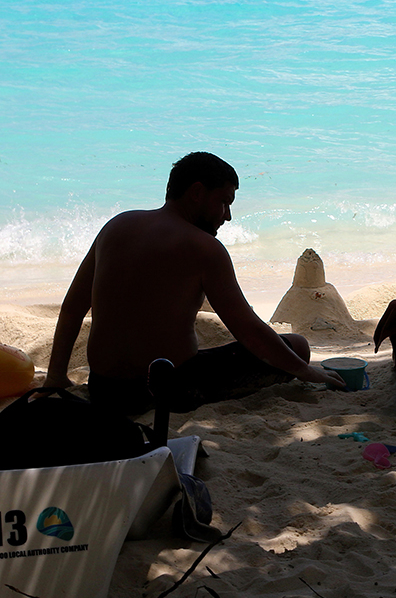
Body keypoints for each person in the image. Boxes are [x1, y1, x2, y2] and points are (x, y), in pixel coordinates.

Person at [44, 152, 345, 413]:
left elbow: (72, 308)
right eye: (224, 202)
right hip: (170, 387)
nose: (227, 216)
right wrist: (306, 372)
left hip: (105, 389)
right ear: (197, 192)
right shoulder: (205, 249)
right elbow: (249, 330)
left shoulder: (116, 226)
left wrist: (55, 376)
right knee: (298, 346)